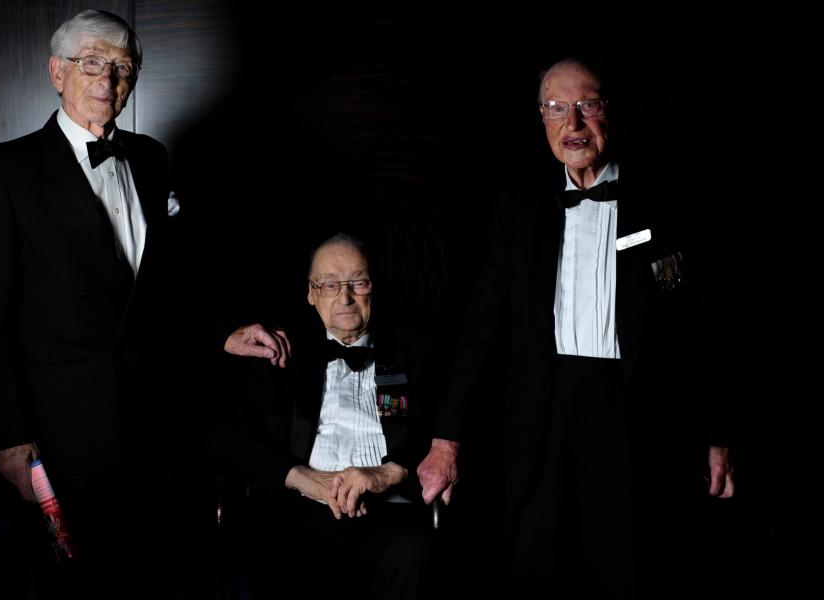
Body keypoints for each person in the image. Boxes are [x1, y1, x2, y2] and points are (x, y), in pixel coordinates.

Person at [0, 9, 287, 596]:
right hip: (65, 429)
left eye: (122, 68)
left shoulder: (152, 157)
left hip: (160, 420)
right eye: (92, 63)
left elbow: (166, 290)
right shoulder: (2, 170)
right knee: (80, 586)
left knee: (167, 577)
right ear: (56, 72)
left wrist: (221, 333)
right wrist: (8, 438)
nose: (107, 81)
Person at [444, 57, 735, 598]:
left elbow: (708, 329)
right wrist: (446, 437)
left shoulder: (669, 202)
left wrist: (719, 433)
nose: (572, 124)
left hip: (634, 413)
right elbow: (482, 331)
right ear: (541, 117)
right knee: (536, 566)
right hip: (542, 414)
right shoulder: (516, 208)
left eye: (587, 105)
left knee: (629, 567)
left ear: (609, 112)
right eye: (557, 108)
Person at [209, 233, 440, 600]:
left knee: (417, 553)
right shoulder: (280, 355)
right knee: (274, 556)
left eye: (357, 282)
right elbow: (226, 436)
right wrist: (302, 478)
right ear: (311, 293)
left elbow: (445, 433)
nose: (344, 298)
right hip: (302, 517)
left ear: (374, 287)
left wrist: (392, 471)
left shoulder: (419, 351)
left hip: (390, 515)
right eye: (330, 285)